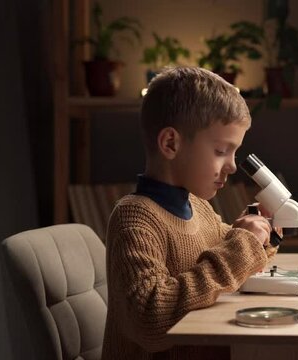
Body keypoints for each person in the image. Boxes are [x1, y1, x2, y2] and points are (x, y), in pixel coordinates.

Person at [102, 66, 278, 360]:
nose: (233, 166)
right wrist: (242, 246)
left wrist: (262, 234)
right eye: (222, 150)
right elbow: (150, 319)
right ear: (171, 143)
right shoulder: (134, 220)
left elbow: (229, 255)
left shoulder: (199, 209)